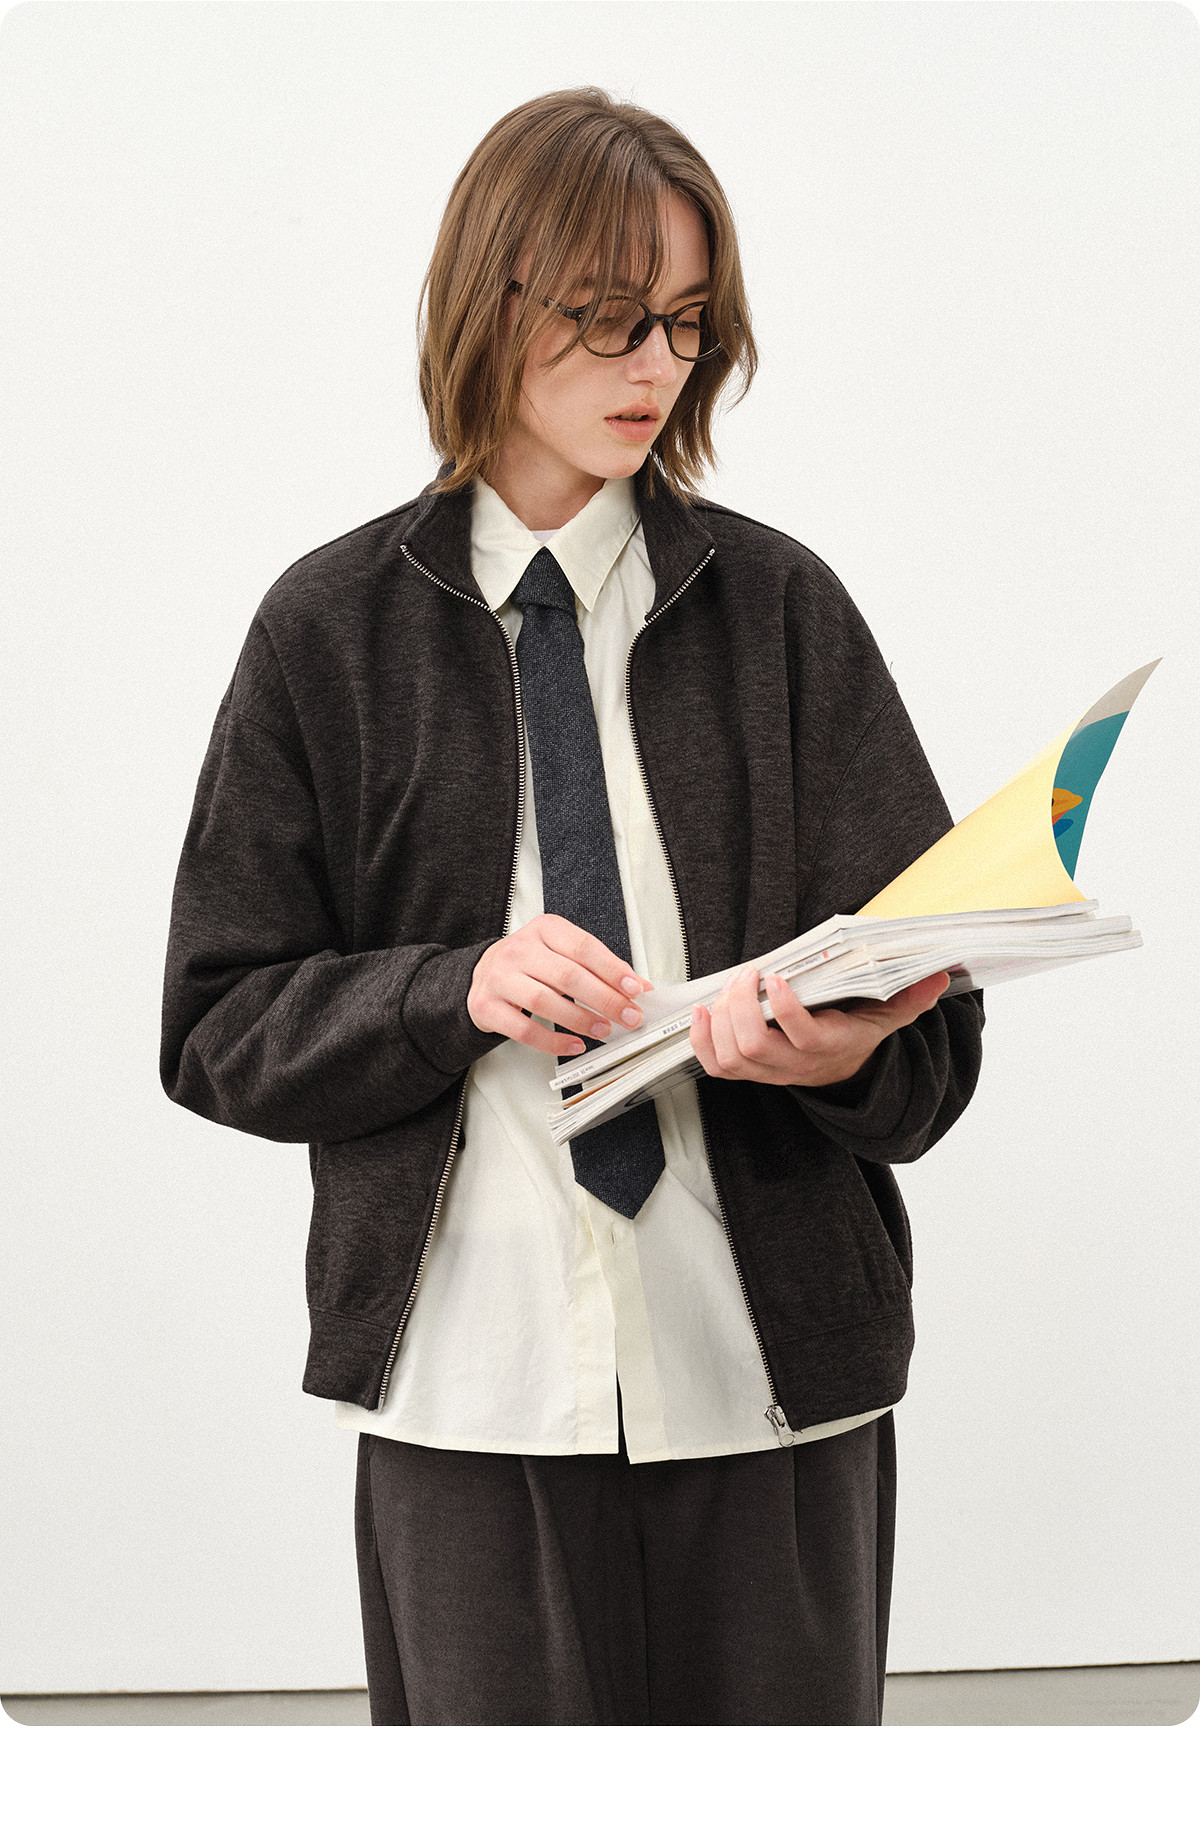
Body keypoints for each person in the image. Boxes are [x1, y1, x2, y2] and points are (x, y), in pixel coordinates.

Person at [160, 87, 984, 1726]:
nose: (656, 365)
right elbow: (217, 1027)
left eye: (686, 322)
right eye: (612, 317)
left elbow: (936, 1031)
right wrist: (451, 991)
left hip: (768, 1380)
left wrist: (839, 1055)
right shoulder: (327, 632)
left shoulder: (784, 612)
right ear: (497, 299)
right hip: (472, 1387)